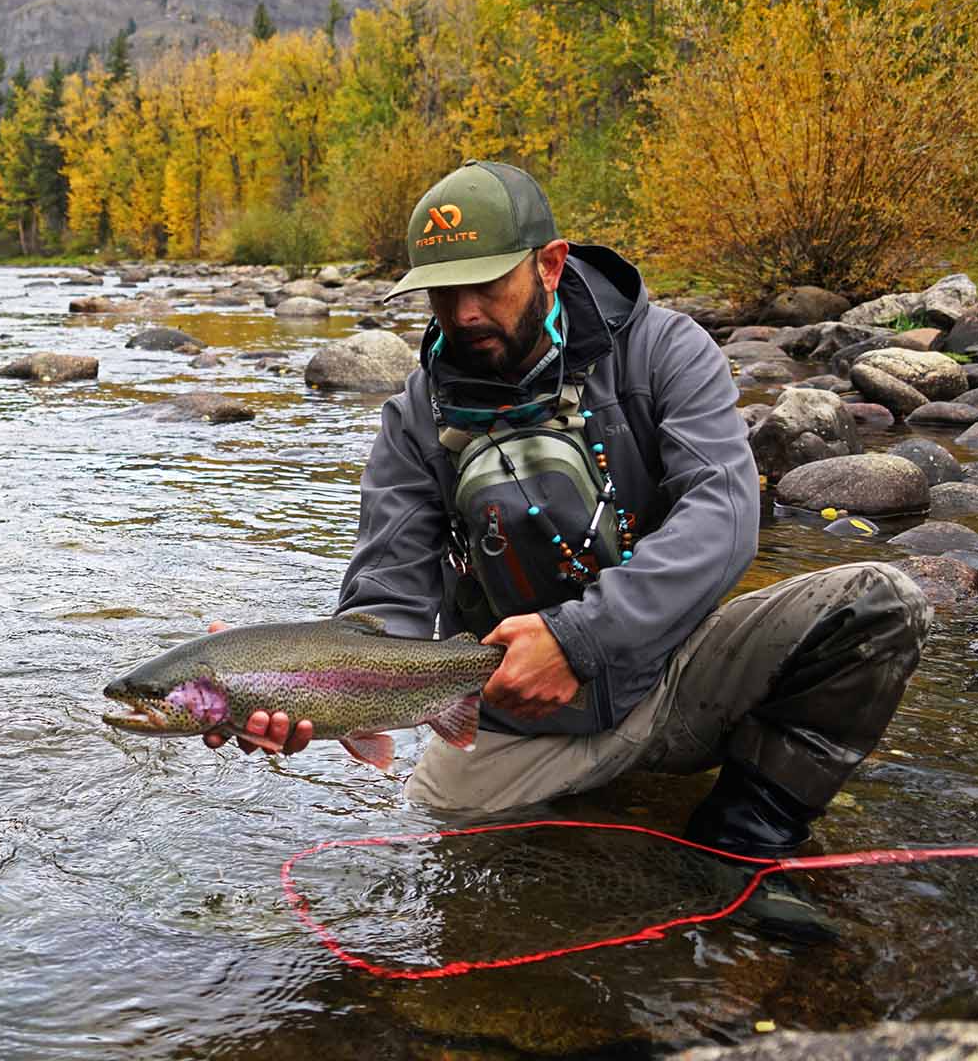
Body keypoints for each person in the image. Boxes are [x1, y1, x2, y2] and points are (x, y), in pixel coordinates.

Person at [208, 160, 932, 932]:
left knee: (880, 605)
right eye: (443, 292)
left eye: (488, 284)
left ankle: (743, 847)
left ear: (549, 263)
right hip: (516, 716)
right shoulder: (414, 421)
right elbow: (387, 598)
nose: (464, 311)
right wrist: (295, 681)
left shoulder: (663, 352)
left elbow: (723, 513)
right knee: (453, 863)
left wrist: (580, 637)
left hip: (678, 673)